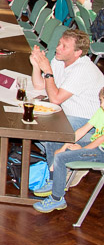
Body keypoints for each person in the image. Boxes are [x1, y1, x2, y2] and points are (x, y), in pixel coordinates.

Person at [29, 31, 104, 160]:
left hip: (89, 122)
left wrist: (47, 70)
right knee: (32, 122)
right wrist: (36, 65)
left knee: (51, 130)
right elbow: (40, 85)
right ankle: (61, 160)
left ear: (77, 52)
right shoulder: (60, 59)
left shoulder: (82, 69)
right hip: (68, 114)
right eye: (59, 43)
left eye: (64, 46)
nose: (58, 48)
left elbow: (56, 99)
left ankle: (55, 174)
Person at [32, 86, 104, 214]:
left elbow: (100, 141)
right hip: (95, 146)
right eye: (101, 101)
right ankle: (54, 181)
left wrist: (81, 149)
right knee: (57, 145)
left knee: (61, 157)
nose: (102, 105)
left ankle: (57, 198)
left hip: (101, 152)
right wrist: (64, 146)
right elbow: (82, 130)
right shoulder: (100, 111)